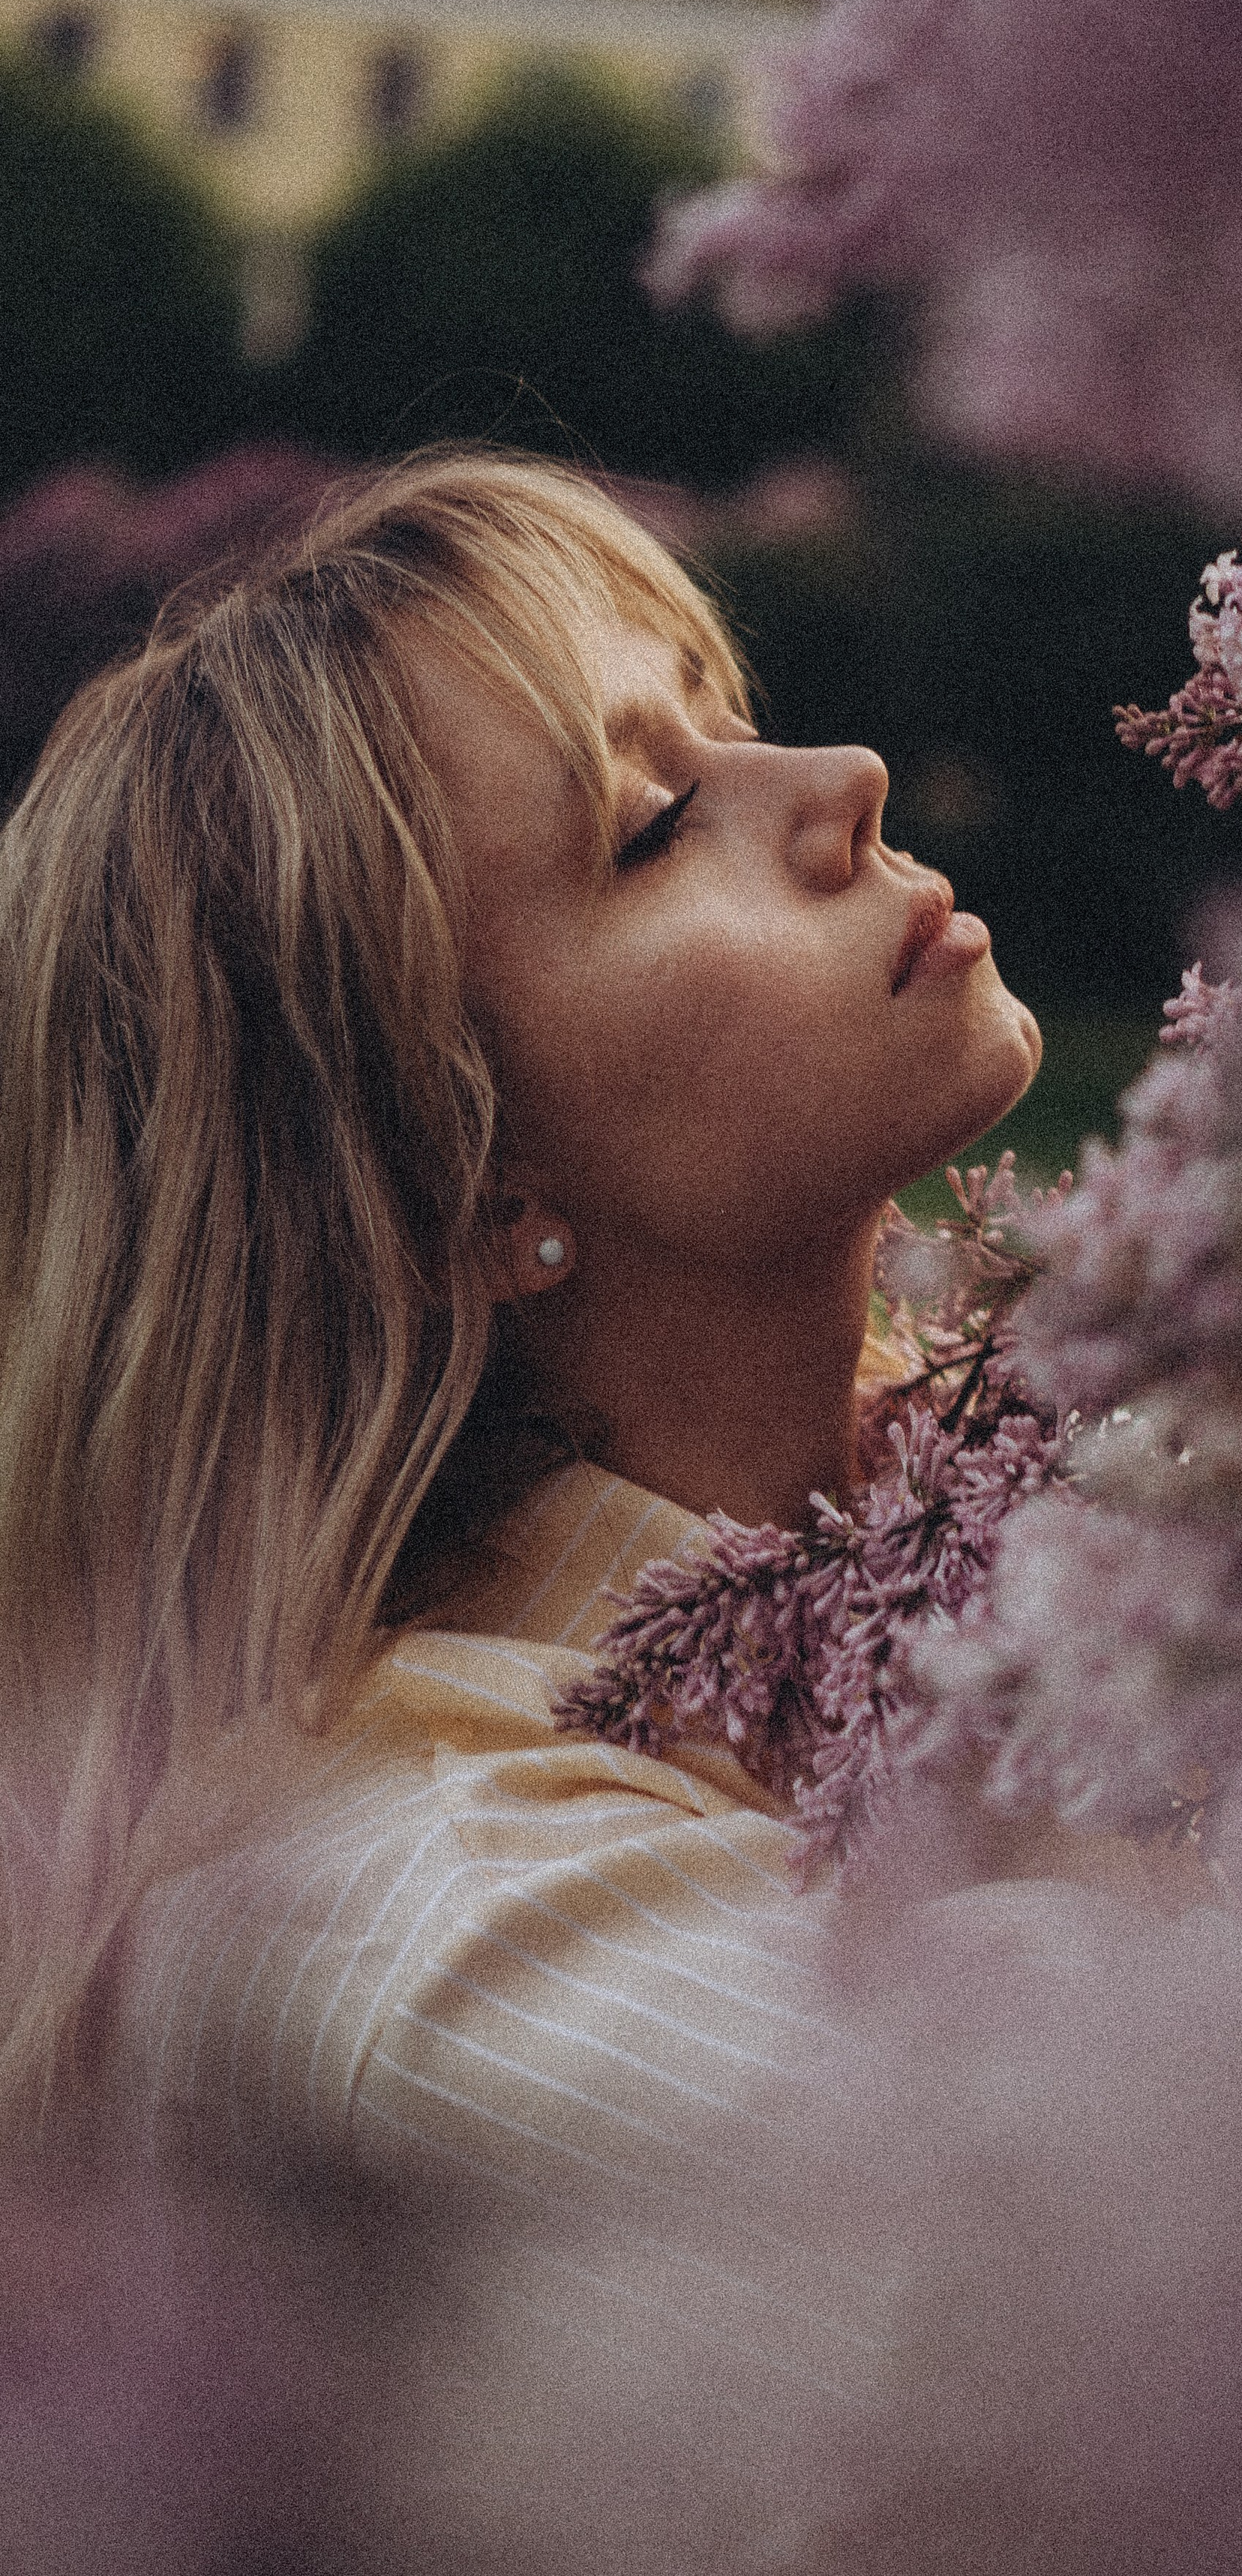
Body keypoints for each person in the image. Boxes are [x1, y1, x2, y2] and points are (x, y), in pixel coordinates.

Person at [0, 451, 1042, 2262]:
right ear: (459, 1187)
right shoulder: (429, 1926)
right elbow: (1154, 2266)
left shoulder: (1034, 1498)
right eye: (653, 824)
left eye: (732, 725)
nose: (844, 782)